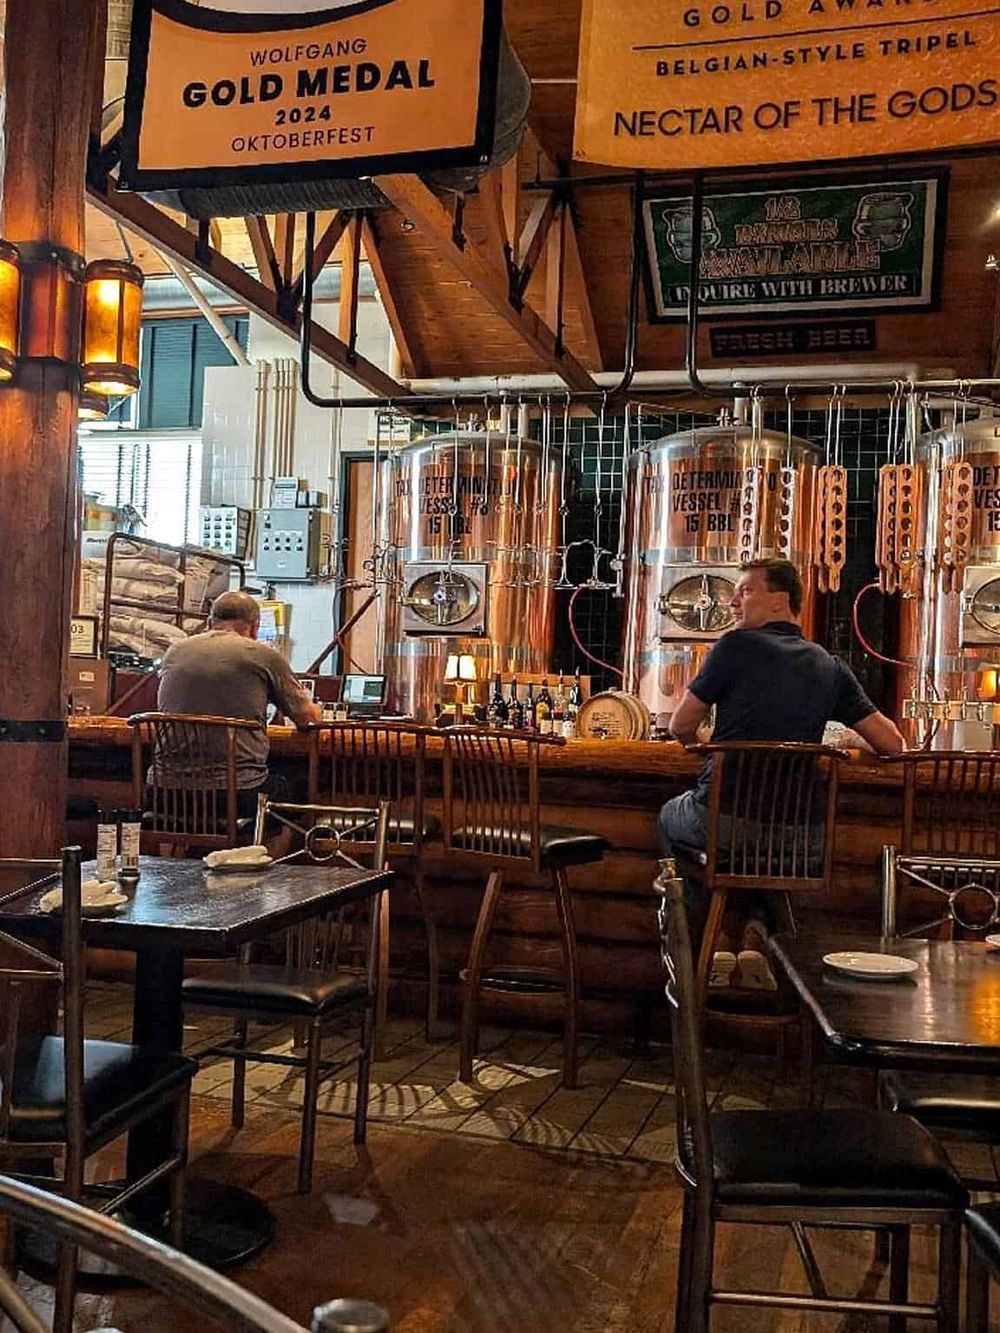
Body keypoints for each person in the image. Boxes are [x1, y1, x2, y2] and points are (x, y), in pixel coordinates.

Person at [659, 558, 905, 988]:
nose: (733, 601)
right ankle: (755, 930)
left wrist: (707, 746)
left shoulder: (733, 648)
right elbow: (892, 744)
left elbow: (680, 726)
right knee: (759, 853)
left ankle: (707, 940)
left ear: (781, 600)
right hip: (800, 841)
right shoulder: (829, 665)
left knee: (670, 818)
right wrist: (843, 741)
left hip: (724, 824)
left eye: (746, 591)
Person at [156, 589, 322, 819]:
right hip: (237, 792)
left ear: (209, 622)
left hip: (165, 792)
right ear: (254, 626)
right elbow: (309, 719)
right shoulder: (263, 654)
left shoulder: (174, 651)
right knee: (296, 794)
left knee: (178, 816)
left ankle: (174, 854)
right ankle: (262, 856)